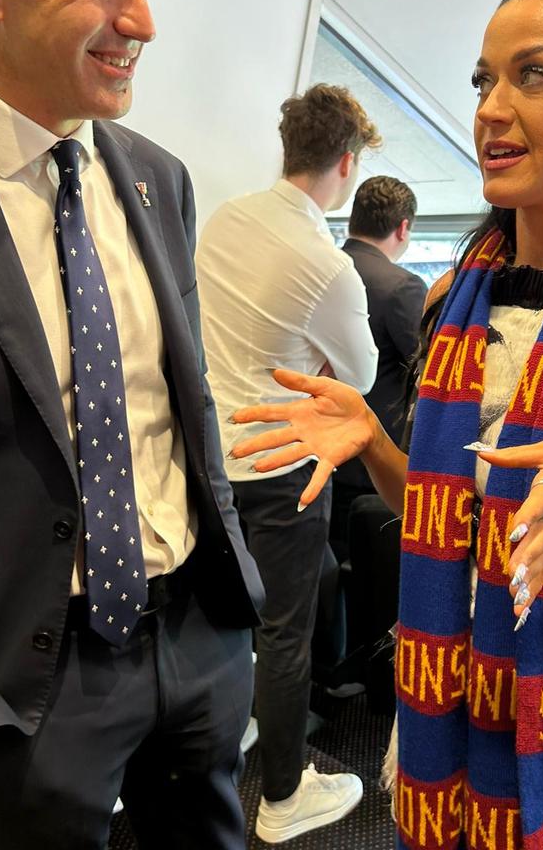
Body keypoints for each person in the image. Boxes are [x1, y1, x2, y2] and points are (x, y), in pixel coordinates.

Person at [231, 0, 543, 850]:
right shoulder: (456, 295)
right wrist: (374, 440)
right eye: (484, 79)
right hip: (443, 725)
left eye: (534, 73)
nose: (490, 106)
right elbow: (453, 512)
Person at [0, 0, 263, 848]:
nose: (144, 21)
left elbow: (178, 405)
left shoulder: (155, 176)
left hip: (198, 641)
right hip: (29, 691)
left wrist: (226, 622)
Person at [196, 82, 380, 843]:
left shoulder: (225, 219)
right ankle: (280, 798)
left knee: (214, 629)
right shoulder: (325, 263)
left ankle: (219, 761)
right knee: (284, 636)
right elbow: (362, 377)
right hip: (282, 472)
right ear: (345, 162)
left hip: (210, 459)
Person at [331, 176, 426, 551]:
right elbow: (428, 372)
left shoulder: (319, 270)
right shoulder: (402, 286)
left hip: (320, 451)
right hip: (374, 465)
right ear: (403, 228)